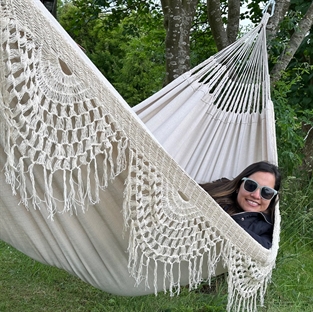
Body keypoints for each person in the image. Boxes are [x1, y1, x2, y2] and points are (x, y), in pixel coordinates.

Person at [200, 161, 281, 249]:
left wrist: (224, 223)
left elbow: (265, 249)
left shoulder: (266, 229)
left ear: (272, 199)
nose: (256, 195)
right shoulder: (213, 193)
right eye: (251, 185)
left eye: (266, 192)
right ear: (239, 186)